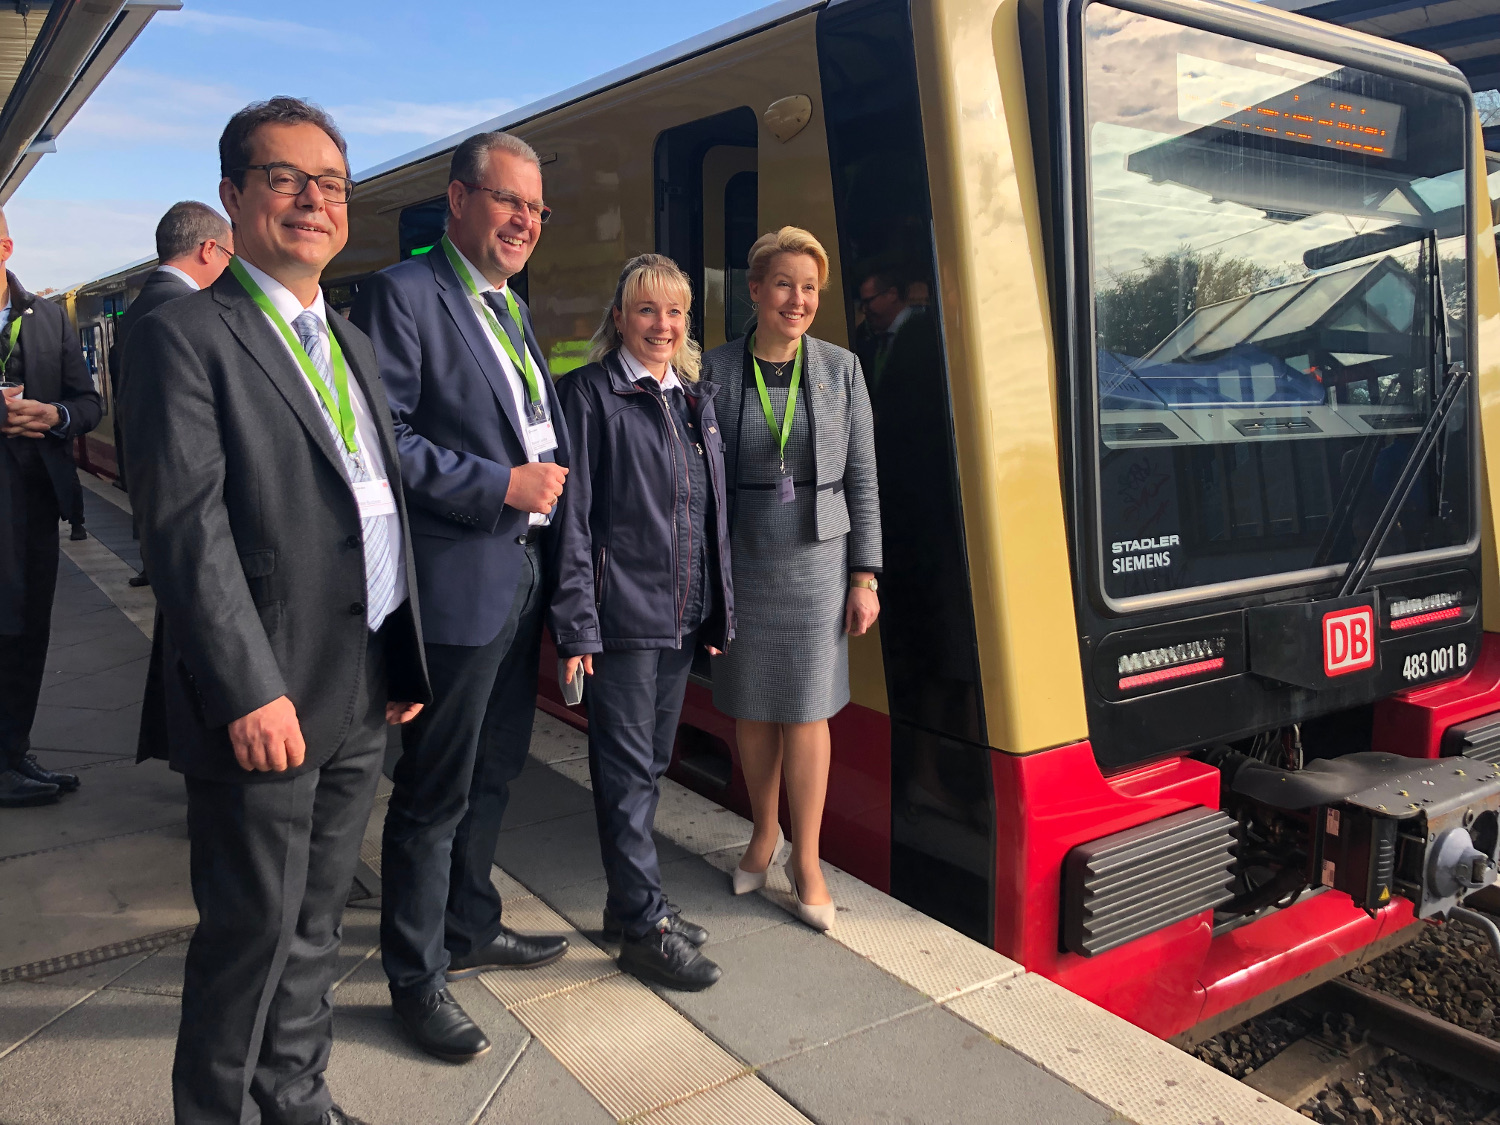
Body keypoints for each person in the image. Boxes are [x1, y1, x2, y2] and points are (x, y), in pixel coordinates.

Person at [119, 97, 429, 1125]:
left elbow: (365, 505)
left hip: (359, 686)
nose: (313, 200)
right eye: (286, 178)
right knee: (250, 931)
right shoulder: (187, 334)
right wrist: (248, 689)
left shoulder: (347, 338)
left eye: (331, 182)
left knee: (318, 920)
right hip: (269, 694)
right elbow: (186, 532)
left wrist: (400, 660)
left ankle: (294, 1090)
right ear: (234, 197)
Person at [351, 130, 570, 1063]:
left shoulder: (509, 306)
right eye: (509, 201)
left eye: (536, 208)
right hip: (453, 582)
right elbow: (385, 439)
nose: (525, 220)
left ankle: (472, 921)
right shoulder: (405, 296)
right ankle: (415, 974)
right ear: (459, 199)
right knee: (433, 792)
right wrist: (500, 485)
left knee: (496, 769)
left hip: (515, 575)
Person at [551, 254, 732, 991]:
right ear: (619, 317)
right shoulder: (591, 396)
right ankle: (644, 928)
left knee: (649, 766)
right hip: (621, 620)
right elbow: (573, 519)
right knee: (626, 773)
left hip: (679, 618)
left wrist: (715, 607)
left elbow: (709, 513)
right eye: (648, 310)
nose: (663, 325)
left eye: (677, 312)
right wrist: (577, 627)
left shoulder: (693, 399)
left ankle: (630, 906)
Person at [703, 226, 881, 931]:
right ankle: (762, 833)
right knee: (751, 709)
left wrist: (864, 574)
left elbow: (863, 476)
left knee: (807, 712)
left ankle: (806, 858)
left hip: (817, 559)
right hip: (741, 555)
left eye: (809, 288)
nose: (797, 299)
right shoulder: (713, 371)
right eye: (783, 284)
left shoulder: (840, 370)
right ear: (754, 290)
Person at [0, 208, 102, 808]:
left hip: (33, 498)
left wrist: (53, 416)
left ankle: (13, 751)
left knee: (29, 629)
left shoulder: (45, 318)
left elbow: (86, 401)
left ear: (6, 245)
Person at [113, 201, 233, 587]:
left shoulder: (139, 309)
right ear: (209, 249)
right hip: (195, 510)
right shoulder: (186, 312)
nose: (231, 268)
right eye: (229, 256)